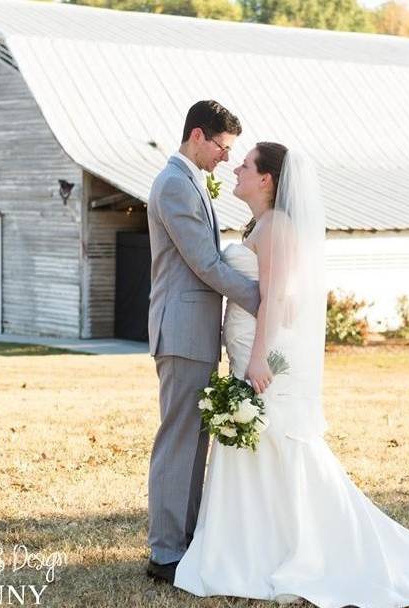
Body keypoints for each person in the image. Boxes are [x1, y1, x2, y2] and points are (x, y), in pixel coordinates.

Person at [172, 143, 409, 607]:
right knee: (262, 446)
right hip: (245, 350)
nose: (237, 167)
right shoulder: (263, 224)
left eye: (247, 163)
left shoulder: (276, 228)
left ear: (267, 180)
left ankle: (293, 550)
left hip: (260, 355)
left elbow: (276, 299)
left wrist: (259, 358)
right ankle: (250, 547)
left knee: (279, 446)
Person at [145, 100, 261, 584]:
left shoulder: (189, 181)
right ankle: (165, 552)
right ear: (198, 135)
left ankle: (184, 542)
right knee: (178, 440)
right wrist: (262, 298)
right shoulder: (174, 184)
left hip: (194, 330)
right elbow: (204, 264)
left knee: (194, 440)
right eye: (222, 147)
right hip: (181, 329)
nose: (226, 158)